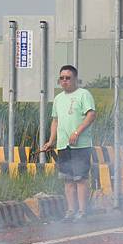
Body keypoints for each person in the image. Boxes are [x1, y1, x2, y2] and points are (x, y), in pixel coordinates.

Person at [41, 65, 96, 223]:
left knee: (80, 178)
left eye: (68, 78)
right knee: (68, 179)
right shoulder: (58, 98)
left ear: (75, 79)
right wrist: (51, 141)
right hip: (63, 145)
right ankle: (71, 210)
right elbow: (55, 121)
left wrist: (77, 132)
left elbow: (91, 114)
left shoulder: (83, 94)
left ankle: (82, 211)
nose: (65, 81)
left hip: (81, 144)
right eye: (62, 78)